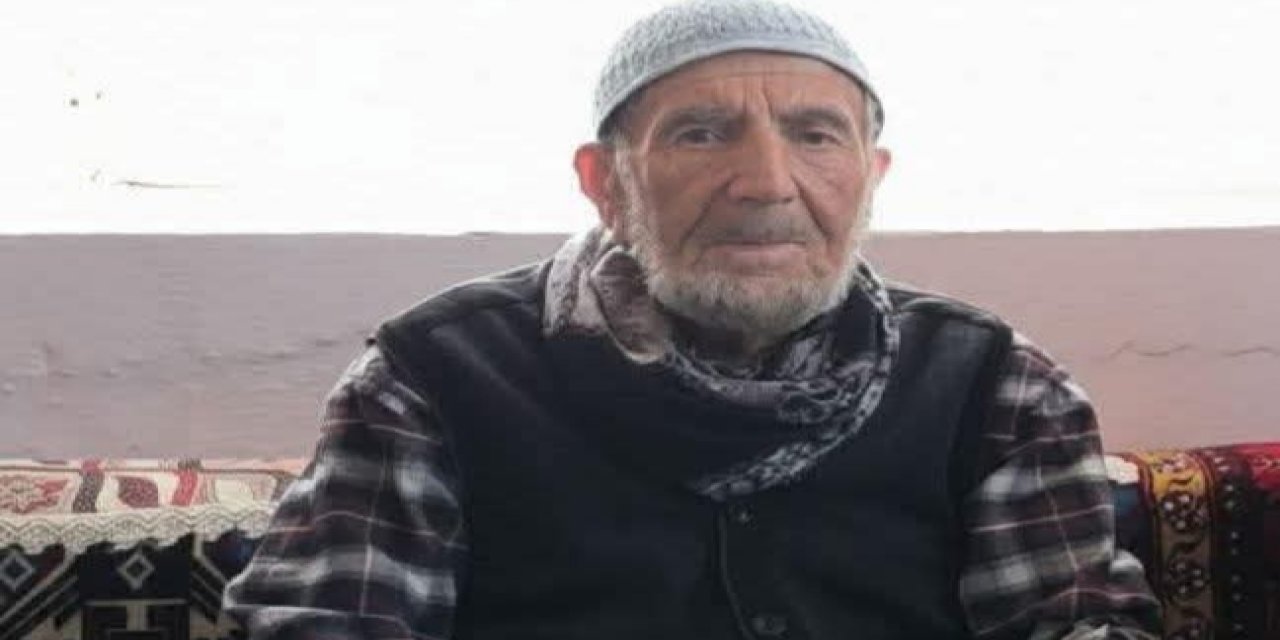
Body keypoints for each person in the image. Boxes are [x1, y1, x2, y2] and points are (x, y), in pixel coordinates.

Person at [224, 1, 1162, 638]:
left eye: (815, 135)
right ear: (606, 183)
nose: (766, 183)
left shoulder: (998, 389)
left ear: (870, 178)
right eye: (701, 134)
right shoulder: (433, 380)